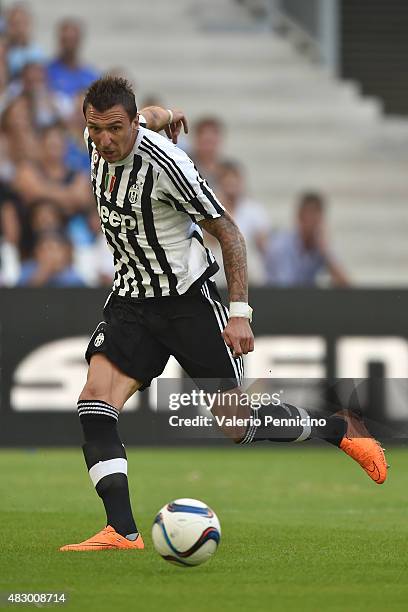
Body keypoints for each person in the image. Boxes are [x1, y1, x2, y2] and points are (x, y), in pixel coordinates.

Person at [59, 77, 386, 553]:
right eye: (96, 128)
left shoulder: (169, 165)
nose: (104, 140)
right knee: (94, 402)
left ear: (129, 125)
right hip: (132, 300)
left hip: (188, 302)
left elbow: (229, 232)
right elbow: (148, 114)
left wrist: (239, 313)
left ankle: (340, 430)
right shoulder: (99, 137)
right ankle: (121, 531)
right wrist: (166, 113)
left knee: (238, 426)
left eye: (115, 128)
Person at [265, 192, 350, 287]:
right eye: (310, 217)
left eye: (317, 219)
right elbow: (285, 289)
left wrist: (325, 253)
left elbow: (345, 286)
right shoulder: (280, 246)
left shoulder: (321, 246)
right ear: (299, 217)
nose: (314, 224)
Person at [210, 160, 269, 287]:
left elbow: (263, 245)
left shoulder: (254, 209)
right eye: (227, 180)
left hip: (248, 260)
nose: (231, 185)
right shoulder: (211, 209)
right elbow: (208, 241)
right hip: (220, 259)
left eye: (234, 180)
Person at [46, 18, 99, 101]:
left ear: (79, 40)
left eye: (72, 40)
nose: (69, 45)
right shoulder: (46, 72)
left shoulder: (91, 75)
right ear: (59, 40)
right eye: (65, 40)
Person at [17, 230, 85, 287]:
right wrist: (41, 275)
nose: (50, 255)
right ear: (37, 252)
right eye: (45, 249)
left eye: (54, 249)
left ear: (65, 252)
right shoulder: (26, 270)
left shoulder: (73, 275)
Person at [5, 3, 45, 78]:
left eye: (21, 23)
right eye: (14, 24)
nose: (19, 29)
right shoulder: (4, 52)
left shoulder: (37, 52)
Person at [190, 116, 225, 188]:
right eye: (206, 142)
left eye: (211, 142)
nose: (209, 148)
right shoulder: (186, 166)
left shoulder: (227, 169)